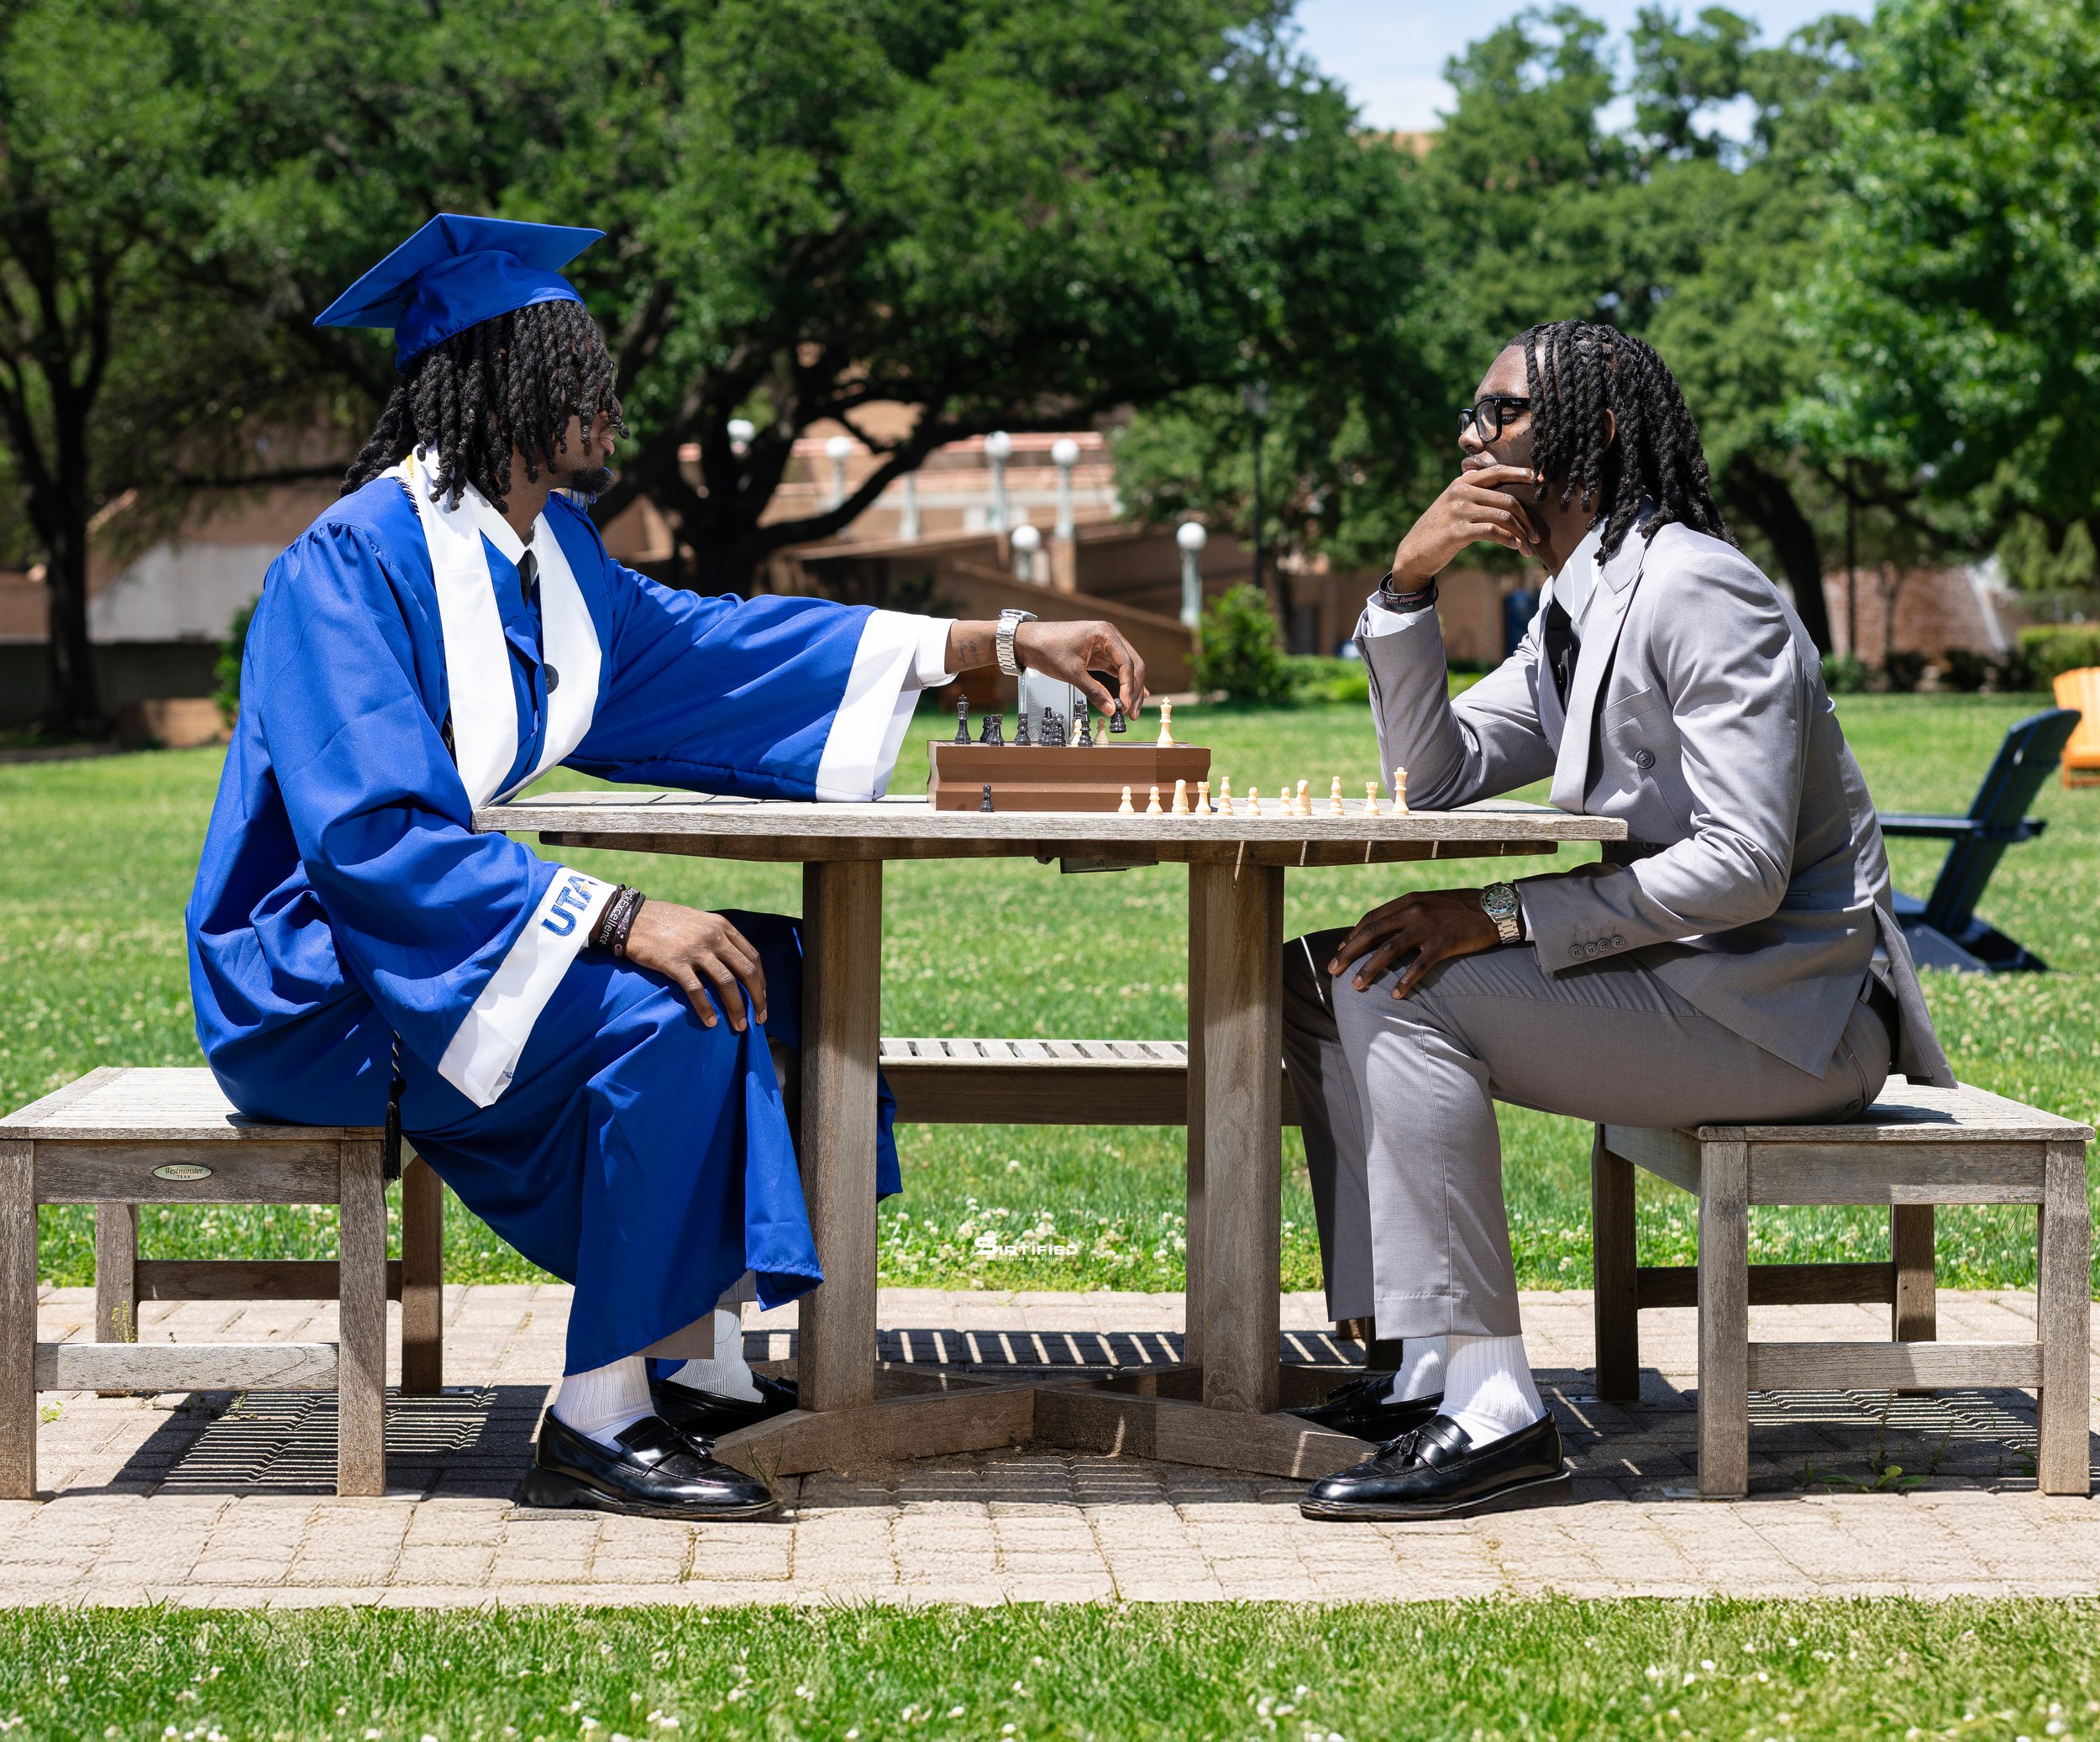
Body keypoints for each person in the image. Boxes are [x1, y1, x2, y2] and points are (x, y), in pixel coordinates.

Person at [186, 213, 1147, 1521]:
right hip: (324, 975)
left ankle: (690, 1346)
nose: (602, 402)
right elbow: (370, 838)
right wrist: (618, 914)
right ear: (489, 378)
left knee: (779, 966)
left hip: (443, 942)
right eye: (567, 367)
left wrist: (1000, 638)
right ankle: (596, 1417)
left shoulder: (549, 562)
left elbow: (730, 653)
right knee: (673, 1003)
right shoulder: (351, 562)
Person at [1282, 319, 1952, 1521]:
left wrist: (1499, 913)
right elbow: (1435, 774)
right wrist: (1403, 588)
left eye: (1497, 416)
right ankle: (1426, 1360)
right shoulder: (1575, 608)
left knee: (1398, 982)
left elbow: (1744, 866)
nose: (1466, 436)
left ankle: (1496, 1413)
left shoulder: (1698, 588)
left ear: (1583, 434)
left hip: (1784, 1013)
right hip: (1690, 986)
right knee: (1322, 974)